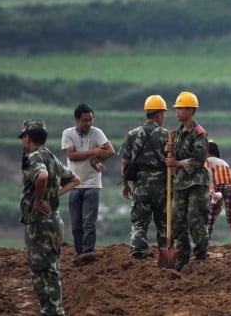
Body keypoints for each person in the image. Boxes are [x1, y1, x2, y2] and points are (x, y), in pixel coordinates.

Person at [19, 119, 80, 316]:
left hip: (39, 223)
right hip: (54, 220)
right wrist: (54, 196)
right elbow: (74, 179)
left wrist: (38, 201)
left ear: (28, 138)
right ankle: (55, 312)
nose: (22, 143)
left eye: (23, 138)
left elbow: (42, 177)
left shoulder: (34, 157)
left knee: (39, 270)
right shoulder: (51, 156)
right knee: (52, 268)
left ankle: (49, 314)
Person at [61, 103, 115, 259]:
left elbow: (110, 150)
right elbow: (72, 155)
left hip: (92, 183)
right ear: (77, 119)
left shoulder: (97, 133)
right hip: (74, 184)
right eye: (85, 120)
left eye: (91, 120)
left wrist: (95, 160)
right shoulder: (68, 134)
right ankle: (79, 252)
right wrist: (94, 152)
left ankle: (88, 252)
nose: (89, 123)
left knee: (89, 223)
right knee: (76, 224)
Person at [165, 91, 210, 270]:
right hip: (181, 182)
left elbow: (198, 160)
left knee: (194, 219)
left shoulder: (199, 134)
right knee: (178, 219)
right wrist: (168, 151)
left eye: (180, 108)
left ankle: (200, 254)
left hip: (197, 183)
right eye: (176, 108)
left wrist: (176, 162)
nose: (176, 111)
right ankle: (182, 255)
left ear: (190, 110)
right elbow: (172, 159)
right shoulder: (174, 135)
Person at [120, 95, 169, 259]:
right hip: (162, 186)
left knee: (139, 221)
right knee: (164, 222)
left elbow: (125, 163)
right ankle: (165, 252)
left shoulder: (132, 134)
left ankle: (139, 252)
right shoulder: (166, 135)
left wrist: (126, 185)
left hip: (140, 185)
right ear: (159, 115)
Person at [206, 140, 231, 244]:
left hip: (218, 185)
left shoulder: (208, 161)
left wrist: (212, 192)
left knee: (211, 214)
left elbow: (209, 177)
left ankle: (206, 241)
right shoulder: (223, 162)